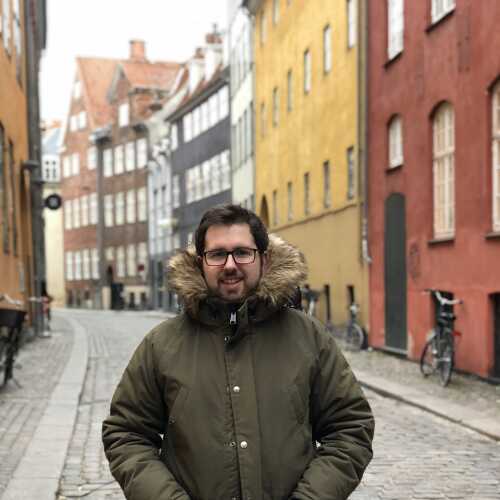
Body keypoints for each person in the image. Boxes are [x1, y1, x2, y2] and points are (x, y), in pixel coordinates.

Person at [102, 204, 374, 500]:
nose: (230, 265)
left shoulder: (308, 337)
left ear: (264, 259)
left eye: (243, 252)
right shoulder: (162, 344)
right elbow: (127, 435)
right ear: (200, 263)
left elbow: (350, 428)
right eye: (217, 254)